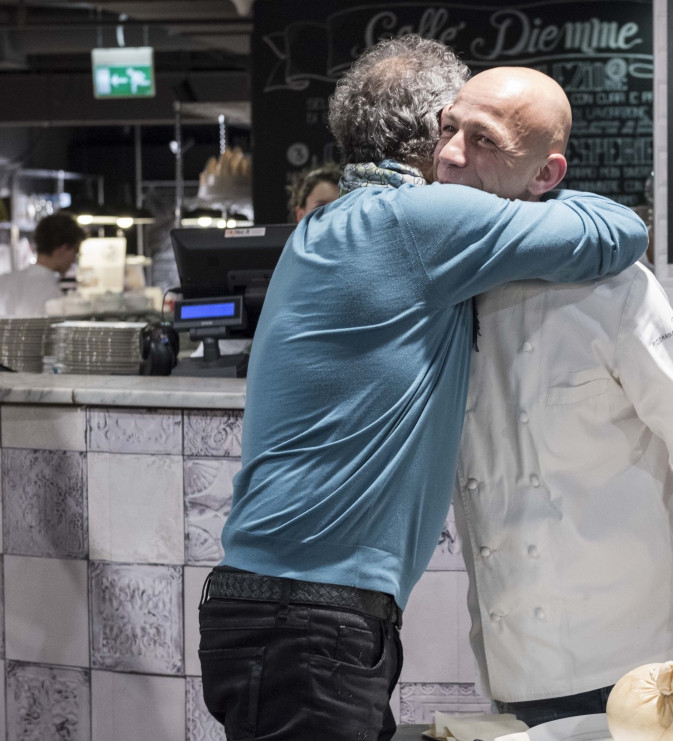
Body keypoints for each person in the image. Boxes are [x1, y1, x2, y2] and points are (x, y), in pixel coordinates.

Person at [197, 36, 647, 741]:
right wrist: (533, 177)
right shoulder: (417, 222)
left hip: (280, 613)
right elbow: (614, 232)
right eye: (455, 124)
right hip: (311, 618)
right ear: (438, 124)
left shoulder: (329, 225)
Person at [436, 69, 673, 725]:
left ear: (545, 176)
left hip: (658, 666)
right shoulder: (433, 287)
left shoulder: (613, 289)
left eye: (483, 140)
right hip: (523, 674)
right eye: (447, 127)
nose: (452, 154)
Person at [0, 212, 83, 316]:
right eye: (76, 251)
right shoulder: (53, 295)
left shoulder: (4, 280)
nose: (74, 258)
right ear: (62, 249)